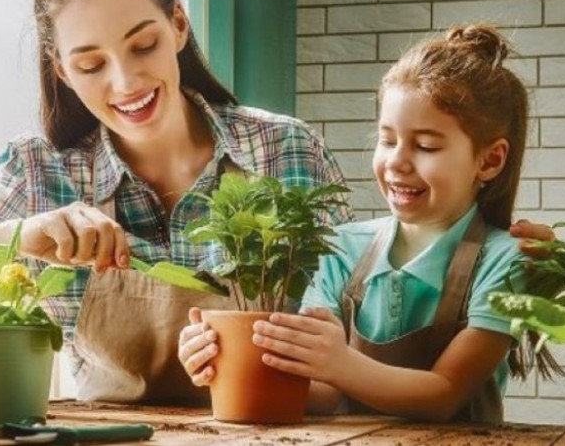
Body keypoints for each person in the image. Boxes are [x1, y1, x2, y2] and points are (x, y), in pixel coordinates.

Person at [0, 0, 554, 405]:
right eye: (89, 64)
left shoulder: (285, 152)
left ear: (179, 25)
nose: (125, 79)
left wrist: (491, 252)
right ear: (61, 71)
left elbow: (345, 331)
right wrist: (13, 235)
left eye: (143, 44)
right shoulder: (39, 171)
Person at [179, 25, 546, 422]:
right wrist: (224, 358)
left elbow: (444, 394)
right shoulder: (340, 248)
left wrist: (339, 363)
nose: (397, 162)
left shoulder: (507, 261)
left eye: (426, 146)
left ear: (489, 160)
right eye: (387, 140)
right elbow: (320, 393)